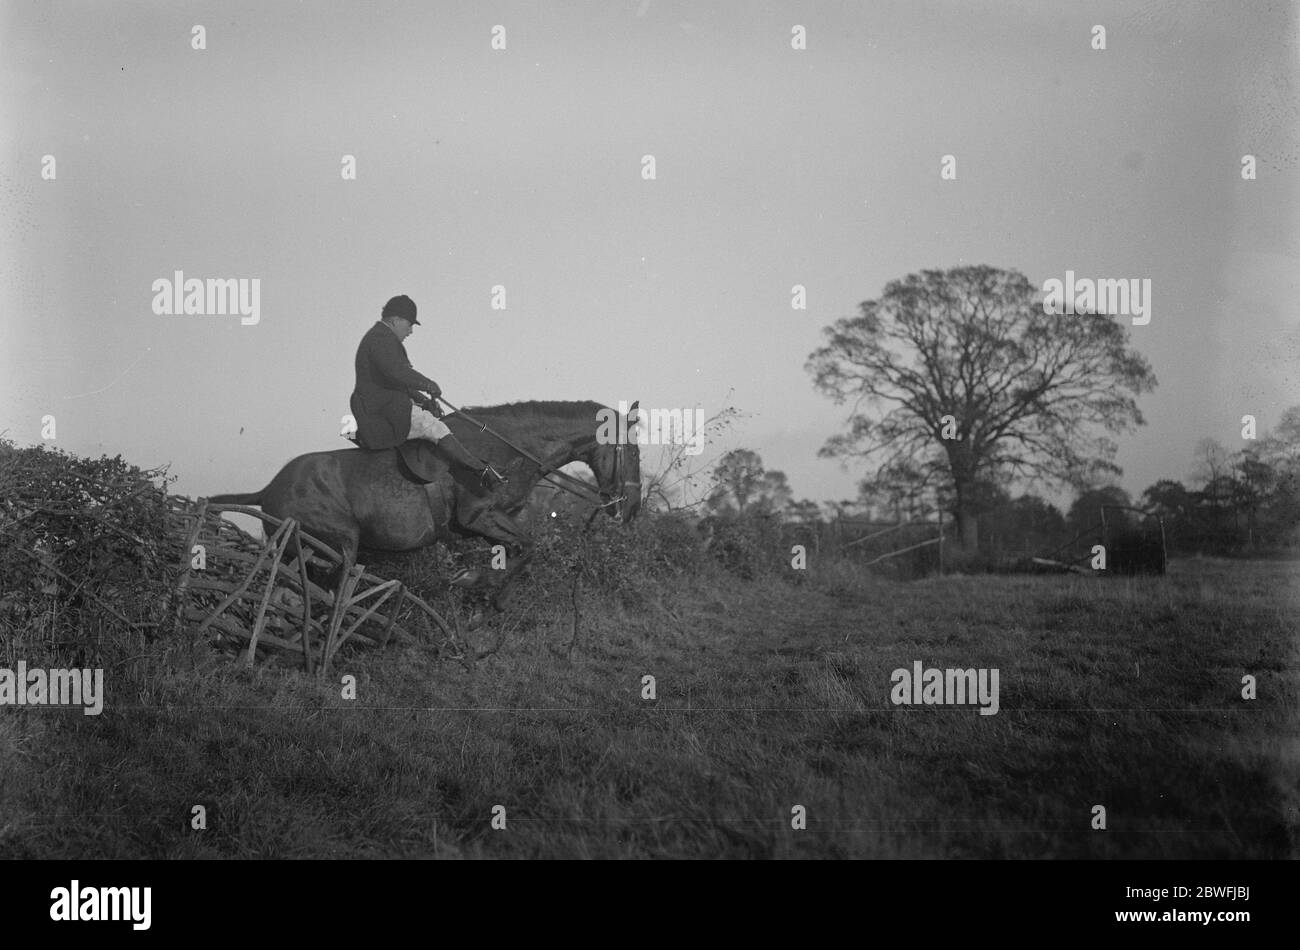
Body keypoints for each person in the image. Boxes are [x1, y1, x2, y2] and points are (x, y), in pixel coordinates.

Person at [349, 294, 505, 489]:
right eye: (409, 324)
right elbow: (397, 372)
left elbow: (398, 381)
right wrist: (429, 384)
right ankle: (480, 471)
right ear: (395, 320)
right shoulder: (381, 338)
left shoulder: (380, 337)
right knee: (436, 428)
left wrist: (423, 400)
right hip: (383, 409)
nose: (411, 331)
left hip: (385, 403)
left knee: (431, 417)